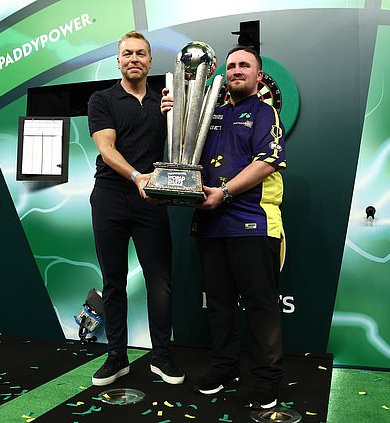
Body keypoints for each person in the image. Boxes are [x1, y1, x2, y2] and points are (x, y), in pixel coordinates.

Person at [162, 46, 286, 409]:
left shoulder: (265, 114)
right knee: (219, 305)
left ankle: (268, 380)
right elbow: (184, 156)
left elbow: (268, 162)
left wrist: (225, 192)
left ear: (258, 76)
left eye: (244, 65)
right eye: (231, 66)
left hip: (253, 223)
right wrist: (173, 116)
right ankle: (225, 368)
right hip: (210, 224)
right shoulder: (209, 115)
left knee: (261, 306)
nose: (236, 70)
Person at [87, 31, 184, 386]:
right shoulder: (102, 99)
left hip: (151, 200)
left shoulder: (165, 103)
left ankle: (161, 355)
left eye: (141, 54)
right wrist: (136, 177)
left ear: (150, 61)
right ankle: (117, 356)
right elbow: (106, 148)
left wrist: (175, 119)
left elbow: (179, 149)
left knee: (160, 281)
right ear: (118, 60)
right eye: (127, 53)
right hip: (111, 196)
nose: (134, 59)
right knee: (114, 281)